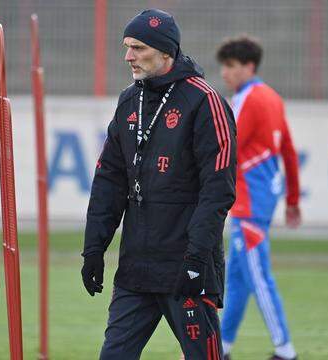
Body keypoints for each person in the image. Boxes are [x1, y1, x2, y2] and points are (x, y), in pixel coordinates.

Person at [81, 9, 236, 359]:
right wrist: (94, 249)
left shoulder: (205, 102)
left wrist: (197, 257)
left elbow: (218, 190)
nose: (128, 56)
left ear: (166, 51)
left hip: (186, 268)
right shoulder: (128, 101)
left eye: (138, 48)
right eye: (126, 47)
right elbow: (108, 181)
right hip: (136, 268)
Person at [216, 35, 301, 360]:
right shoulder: (273, 98)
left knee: (259, 277)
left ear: (248, 66)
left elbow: (225, 149)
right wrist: (292, 199)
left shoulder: (248, 100)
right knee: (236, 279)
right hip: (262, 199)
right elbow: (288, 151)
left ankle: (285, 350)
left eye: (231, 66)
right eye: (224, 66)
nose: (225, 73)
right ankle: (221, 348)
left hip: (249, 202)